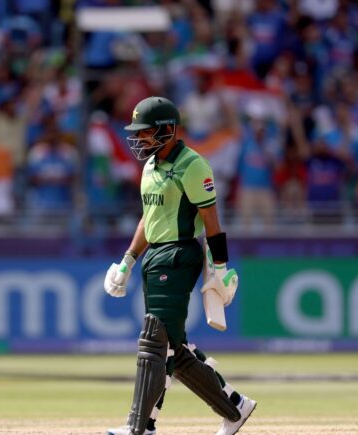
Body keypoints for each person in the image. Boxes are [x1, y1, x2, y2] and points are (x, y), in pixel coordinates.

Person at [104, 97, 256, 435]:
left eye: (145, 132)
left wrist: (220, 268)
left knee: (153, 339)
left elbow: (211, 221)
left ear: (168, 130)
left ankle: (139, 426)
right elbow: (149, 218)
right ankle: (234, 407)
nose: (139, 138)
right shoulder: (150, 166)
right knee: (173, 347)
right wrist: (127, 260)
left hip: (179, 255)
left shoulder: (193, 165)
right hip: (154, 256)